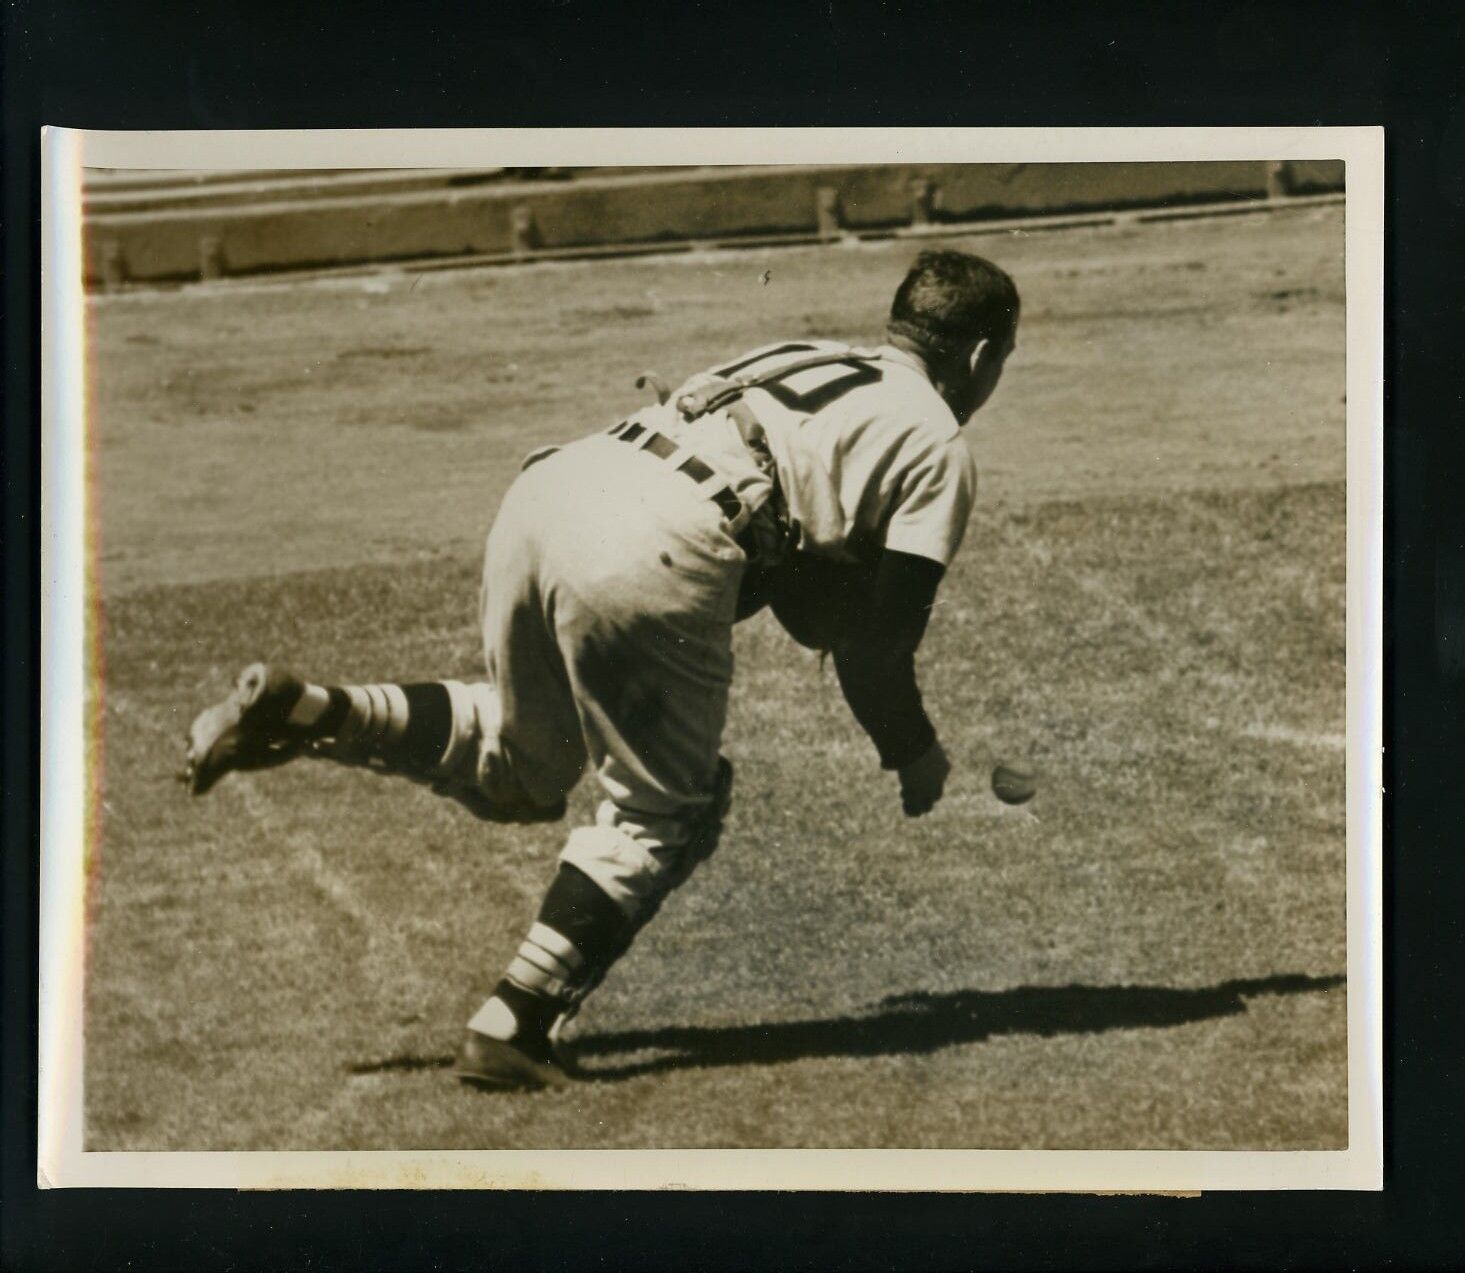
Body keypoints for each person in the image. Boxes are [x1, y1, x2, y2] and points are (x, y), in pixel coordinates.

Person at [182, 248, 1020, 1090]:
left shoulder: (804, 350)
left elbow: (802, 572)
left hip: (558, 485)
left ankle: (310, 710)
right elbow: (875, 646)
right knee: (668, 808)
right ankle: (514, 1021)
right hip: (653, 542)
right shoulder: (936, 443)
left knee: (524, 763)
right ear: (981, 357)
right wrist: (911, 749)